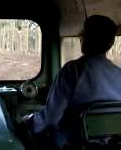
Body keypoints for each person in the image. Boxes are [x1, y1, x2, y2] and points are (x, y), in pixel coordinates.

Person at [23, 15, 121, 148]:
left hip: (74, 143)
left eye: (83, 33)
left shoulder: (71, 71)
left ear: (85, 38)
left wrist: (30, 120)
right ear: (110, 43)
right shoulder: (118, 73)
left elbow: (51, 119)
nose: (80, 37)